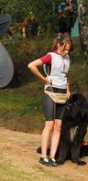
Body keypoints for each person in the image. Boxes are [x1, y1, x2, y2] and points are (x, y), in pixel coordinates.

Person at [28, 33, 72, 166]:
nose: (67, 51)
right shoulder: (50, 56)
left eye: (69, 49)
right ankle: (43, 156)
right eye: (65, 48)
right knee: (49, 125)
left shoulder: (68, 58)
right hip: (51, 92)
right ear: (58, 45)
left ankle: (52, 157)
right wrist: (43, 79)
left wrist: (68, 90)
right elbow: (31, 65)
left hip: (62, 94)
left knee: (58, 126)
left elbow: (66, 75)